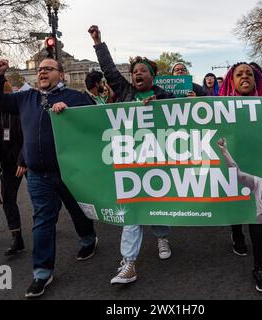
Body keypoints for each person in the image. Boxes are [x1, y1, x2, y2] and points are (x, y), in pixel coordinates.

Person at [0, 58, 98, 298]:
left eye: (48, 69)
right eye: (40, 70)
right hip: (37, 173)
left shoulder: (76, 98)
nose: (42, 72)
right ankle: (42, 272)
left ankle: (88, 238)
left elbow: (96, 124)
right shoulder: (26, 98)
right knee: (42, 221)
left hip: (69, 172)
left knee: (77, 209)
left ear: (61, 74)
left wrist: (72, 116)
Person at [89, 24, 174, 285]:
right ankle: (129, 263)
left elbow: (182, 123)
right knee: (133, 210)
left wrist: (162, 109)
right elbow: (109, 70)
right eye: (134, 72)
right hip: (130, 162)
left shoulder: (166, 97)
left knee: (157, 205)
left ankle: (162, 236)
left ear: (152, 76)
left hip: (158, 160)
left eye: (143, 71)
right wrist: (98, 42)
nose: (137, 74)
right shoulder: (125, 93)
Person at [219, 62, 262, 293]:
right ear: (231, 80)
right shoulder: (218, 106)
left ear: (256, 79)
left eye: (249, 74)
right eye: (239, 74)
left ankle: (259, 267)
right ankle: (237, 232)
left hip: (258, 164)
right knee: (236, 201)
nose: (244, 77)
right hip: (232, 161)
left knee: (258, 214)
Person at [0, 81, 27, 256]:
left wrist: (24, 159)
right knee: (8, 199)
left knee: (43, 196)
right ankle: (16, 237)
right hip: (8, 163)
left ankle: (48, 224)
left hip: (28, 160)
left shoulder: (22, 109)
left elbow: (31, 137)